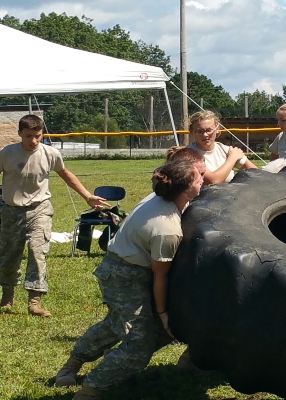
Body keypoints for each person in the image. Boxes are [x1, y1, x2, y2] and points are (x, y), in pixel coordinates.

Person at [54, 158, 206, 399]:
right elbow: (160, 275)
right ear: (186, 189)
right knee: (138, 347)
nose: (202, 179)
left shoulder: (159, 197)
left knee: (114, 326)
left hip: (121, 267)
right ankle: (90, 391)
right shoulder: (167, 228)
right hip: (125, 276)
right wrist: (162, 314)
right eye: (198, 177)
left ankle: (72, 364)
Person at [0, 115, 110, 317]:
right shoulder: (7, 153)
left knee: (37, 251)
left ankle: (35, 301)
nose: (33, 141)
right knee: (9, 255)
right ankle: (7, 298)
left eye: (37, 136)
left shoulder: (50, 153)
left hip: (40, 208)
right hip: (11, 210)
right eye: (28, 136)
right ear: (19, 134)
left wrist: (87, 196)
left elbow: (65, 173)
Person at [186, 110, 256, 184]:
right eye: (200, 131)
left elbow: (257, 173)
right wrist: (232, 158)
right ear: (192, 131)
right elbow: (213, 181)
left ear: (217, 129)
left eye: (209, 130)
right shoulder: (187, 155)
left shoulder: (226, 150)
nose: (205, 135)